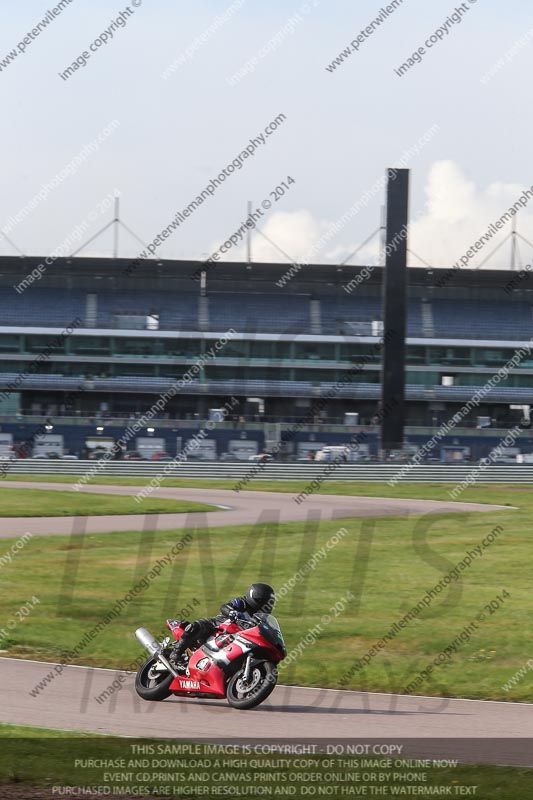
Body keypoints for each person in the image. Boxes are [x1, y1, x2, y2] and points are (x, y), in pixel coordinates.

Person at [170, 583, 275, 667]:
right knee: (197, 626)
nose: (268, 605)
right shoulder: (242, 603)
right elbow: (225, 606)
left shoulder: (260, 617)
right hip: (218, 625)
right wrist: (231, 612)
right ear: (257, 599)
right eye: (265, 602)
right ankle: (176, 653)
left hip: (237, 639)